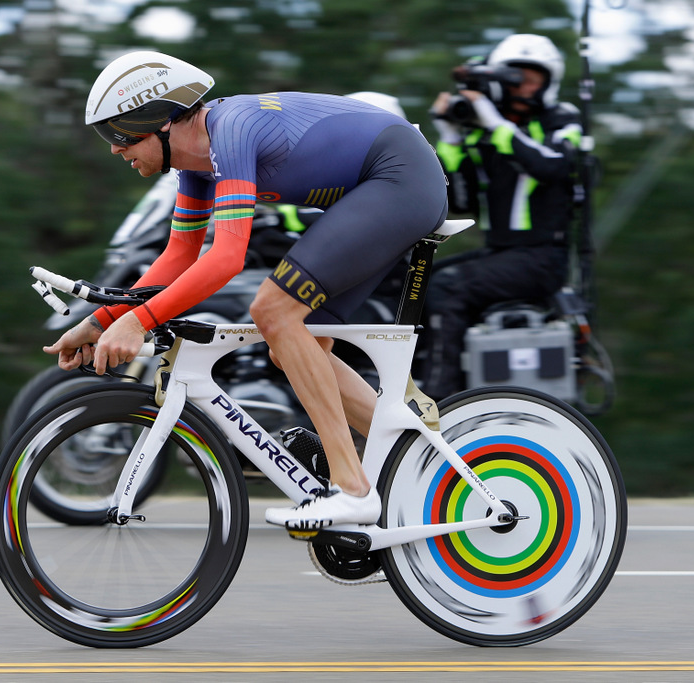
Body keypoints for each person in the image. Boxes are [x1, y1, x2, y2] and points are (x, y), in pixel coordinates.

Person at [44, 51, 447, 529]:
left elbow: (227, 257)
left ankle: (353, 488)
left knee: (273, 313)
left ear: (159, 120)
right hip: (381, 187)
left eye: (119, 134)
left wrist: (140, 321)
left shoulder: (230, 129)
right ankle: (424, 464)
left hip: (401, 179)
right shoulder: (194, 168)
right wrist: (97, 322)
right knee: (296, 346)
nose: (114, 149)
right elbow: (178, 257)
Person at [420, 34, 582, 400]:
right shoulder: (484, 130)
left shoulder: (562, 117)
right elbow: (459, 199)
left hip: (540, 258)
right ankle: (427, 381)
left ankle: (440, 399)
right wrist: (449, 136)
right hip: (501, 254)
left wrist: (495, 123)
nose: (522, 87)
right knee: (419, 280)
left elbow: (552, 165)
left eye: (532, 79)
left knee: (451, 289)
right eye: (514, 78)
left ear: (548, 82)